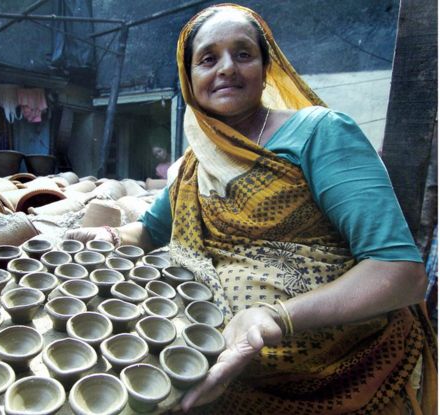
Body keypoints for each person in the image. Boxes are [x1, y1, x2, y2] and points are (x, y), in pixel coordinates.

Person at [66, 4, 436, 414]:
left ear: (265, 69)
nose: (225, 68)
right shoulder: (194, 163)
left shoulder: (320, 133)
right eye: (208, 58)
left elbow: (399, 271)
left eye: (243, 54)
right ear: (189, 79)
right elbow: (151, 231)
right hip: (217, 359)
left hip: (338, 369)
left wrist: (277, 318)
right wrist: (109, 235)